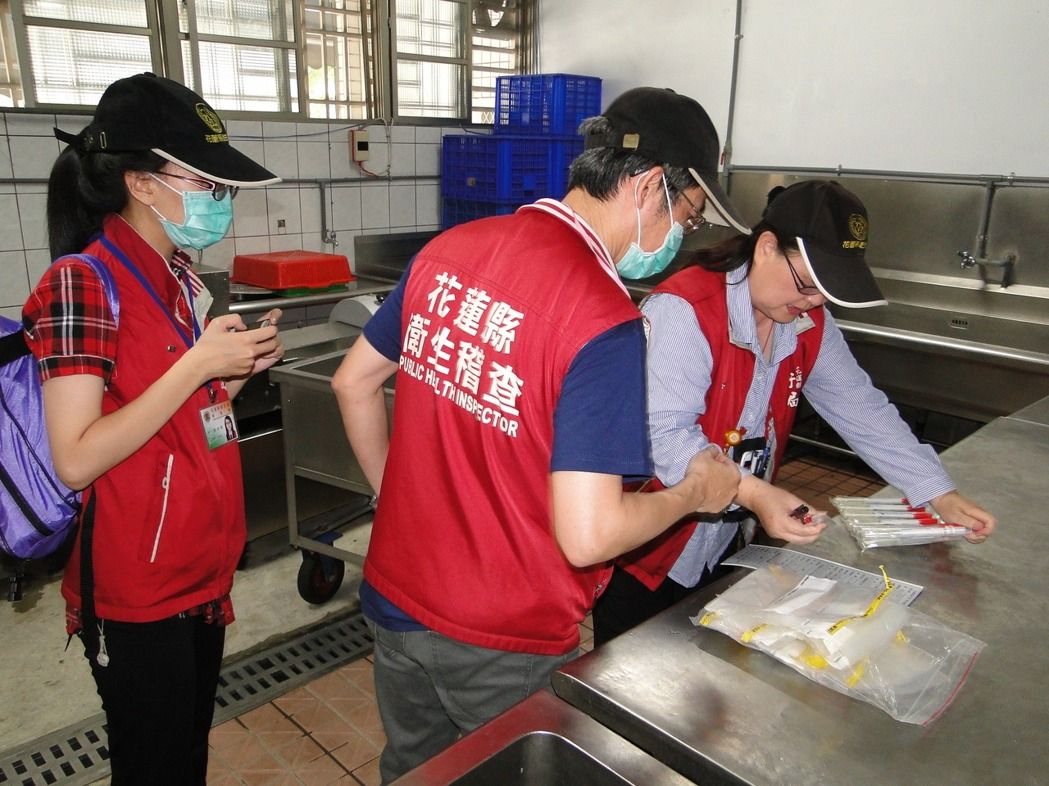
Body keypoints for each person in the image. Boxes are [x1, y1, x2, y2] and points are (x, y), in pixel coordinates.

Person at [331, 86, 748, 782]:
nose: (685, 233)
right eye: (688, 213)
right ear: (649, 186)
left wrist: (397, 497)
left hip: (396, 591)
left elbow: (353, 383)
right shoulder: (603, 318)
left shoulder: (451, 249)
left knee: (416, 770)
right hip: (502, 630)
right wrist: (693, 494)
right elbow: (589, 535)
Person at [592, 180, 998, 646]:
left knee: (702, 662)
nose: (814, 302)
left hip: (725, 540)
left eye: (826, 292)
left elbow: (860, 407)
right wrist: (754, 492)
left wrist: (937, 491)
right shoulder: (686, 309)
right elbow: (664, 435)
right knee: (631, 663)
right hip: (649, 543)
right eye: (807, 284)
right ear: (766, 247)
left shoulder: (805, 321)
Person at [21, 73, 283, 785]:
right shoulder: (80, 283)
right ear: (141, 183)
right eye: (206, 183)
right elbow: (76, 458)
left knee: (185, 754)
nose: (218, 199)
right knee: (154, 766)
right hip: (137, 587)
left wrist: (232, 374)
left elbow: (183, 419)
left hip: (200, 567)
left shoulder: (178, 278)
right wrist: (196, 363)